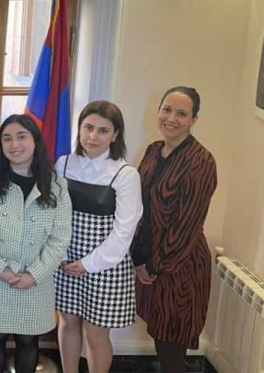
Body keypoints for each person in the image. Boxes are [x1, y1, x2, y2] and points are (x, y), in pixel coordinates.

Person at [0, 114, 71, 373]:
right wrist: (0, 270)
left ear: (35, 140)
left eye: (21, 137)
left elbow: (60, 238)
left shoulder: (57, 186)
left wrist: (34, 275)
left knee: (28, 340)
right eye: (7, 139)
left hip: (35, 281)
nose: (14, 144)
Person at [130, 86, 217, 373]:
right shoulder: (153, 150)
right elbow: (139, 205)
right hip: (150, 259)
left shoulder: (201, 161)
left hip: (181, 268)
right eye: (166, 109)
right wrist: (138, 256)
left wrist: (154, 265)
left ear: (194, 119)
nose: (171, 118)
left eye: (182, 113)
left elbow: (187, 224)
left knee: (171, 345)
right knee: (161, 337)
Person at [54, 101, 142, 373]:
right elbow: (52, 214)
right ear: (79, 129)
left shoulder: (125, 174)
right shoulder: (63, 164)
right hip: (66, 260)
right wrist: (61, 255)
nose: (93, 136)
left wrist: (88, 264)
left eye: (103, 130)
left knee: (95, 333)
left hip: (105, 265)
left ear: (115, 135)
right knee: (67, 323)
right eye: (88, 127)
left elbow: (124, 231)